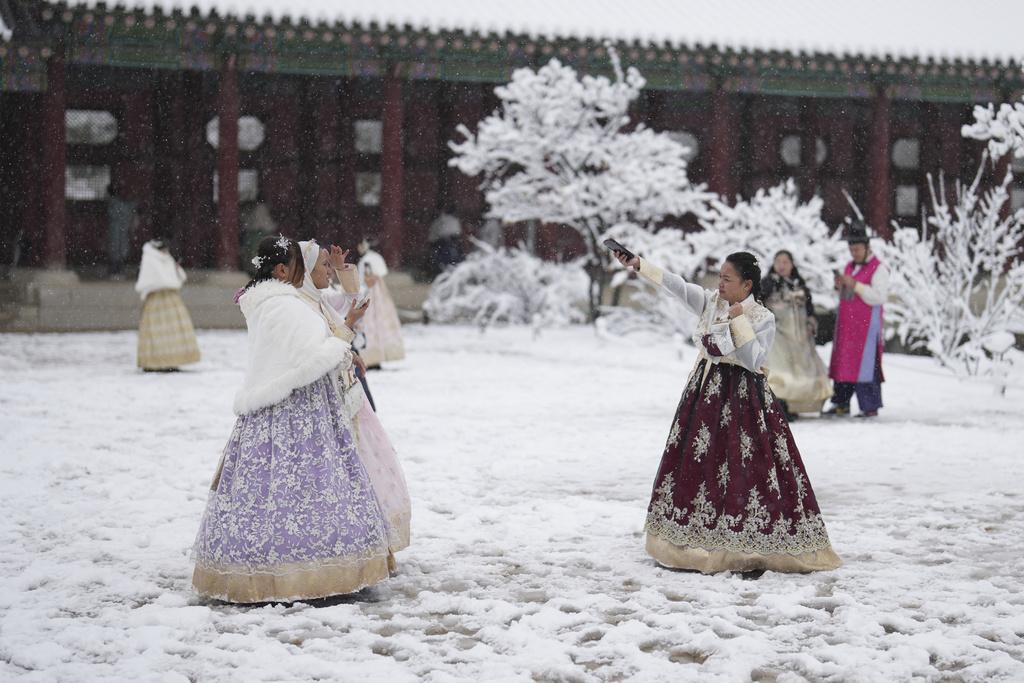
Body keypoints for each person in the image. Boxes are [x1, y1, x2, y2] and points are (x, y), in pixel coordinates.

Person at [615, 248, 841, 574]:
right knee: (699, 464)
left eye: (727, 279)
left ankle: (749, 543)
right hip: (705, 394)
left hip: (745, 399)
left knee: (745, 465)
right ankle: (691, 542)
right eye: (720, 277)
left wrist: (738, 320)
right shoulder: (712, 303)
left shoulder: (762, 317)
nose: (720, 284)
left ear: (747, 285)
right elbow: (678, 286)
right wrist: (640, 265)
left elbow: (753, 359)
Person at [191, 235, 392, 603]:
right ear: (282, 270)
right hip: (299, 406)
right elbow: (311, 358)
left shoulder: (273, 301)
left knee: (278, 488)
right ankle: (306, 571)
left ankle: (277, 567)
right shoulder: (282, 305)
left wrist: (343, 334)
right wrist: (346, 331)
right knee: (306, 482)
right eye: (300, 265)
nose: (306, 273)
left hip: (279, 404)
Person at [298, 239, 412, 558]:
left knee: (361, 456)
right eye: (323, 265)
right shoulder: (300, 304)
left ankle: (367, 534)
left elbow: (355, 301)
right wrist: (347, 334)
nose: (328, 270)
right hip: (324, 394)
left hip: (344, 381)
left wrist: (341, 271)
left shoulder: (318, 298)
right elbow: (329, 338)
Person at [825, 221, 889, 418]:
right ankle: (841, 403)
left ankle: (869, 406)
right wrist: (840, 286)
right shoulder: (849, 266)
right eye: (851, 250)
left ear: (867, 247)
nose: (854, 253)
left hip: (866, 328)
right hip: (848, 326)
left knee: (866, 366)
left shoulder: (879, 268)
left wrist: (855, 285)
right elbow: (849, 295)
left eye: (857, 249)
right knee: (844, 365)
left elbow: (879, 297)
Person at [761, 250, 832, 420]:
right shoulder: (767, 283)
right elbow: (758, 303)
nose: (782, 265)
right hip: (777, 333)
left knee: (803, 370)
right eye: (778, 261)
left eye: (785, 262)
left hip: (800, 336)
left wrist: (811, 323)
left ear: (792, 264)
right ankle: (779, 404)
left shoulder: (800, 284)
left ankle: (796, 405)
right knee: (780, 368)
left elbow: (809, 308)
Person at [134, 239, 200, 371]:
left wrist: (176, 270)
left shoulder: (167, 259)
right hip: (157, 298)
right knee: (158, 332)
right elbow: (153, 281)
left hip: (170, 298)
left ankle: (171, 361)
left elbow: (178, 277)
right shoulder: (150, 259)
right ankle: (155, 362)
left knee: (170, 332)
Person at [356, 239, 406, 368]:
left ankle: (372, 358)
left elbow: (368, 280)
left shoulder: (367, 260)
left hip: (370, 293)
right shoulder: (375, 258)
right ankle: (378, 356)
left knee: (370, 324)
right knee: (379, 324)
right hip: (379, 293)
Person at [107, 180, 138, 277]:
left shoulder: (123, 203)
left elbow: (131, 209)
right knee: (116, 249)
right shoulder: (113, 202)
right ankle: (115, 270)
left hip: (122, 229)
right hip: (116, 229)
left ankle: (119, 269)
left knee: (122, 249)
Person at [427, 208, 463, 274]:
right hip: (442, 246)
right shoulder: (440, 221)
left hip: (444, 246)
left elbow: (431, 239)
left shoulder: (445, 221)